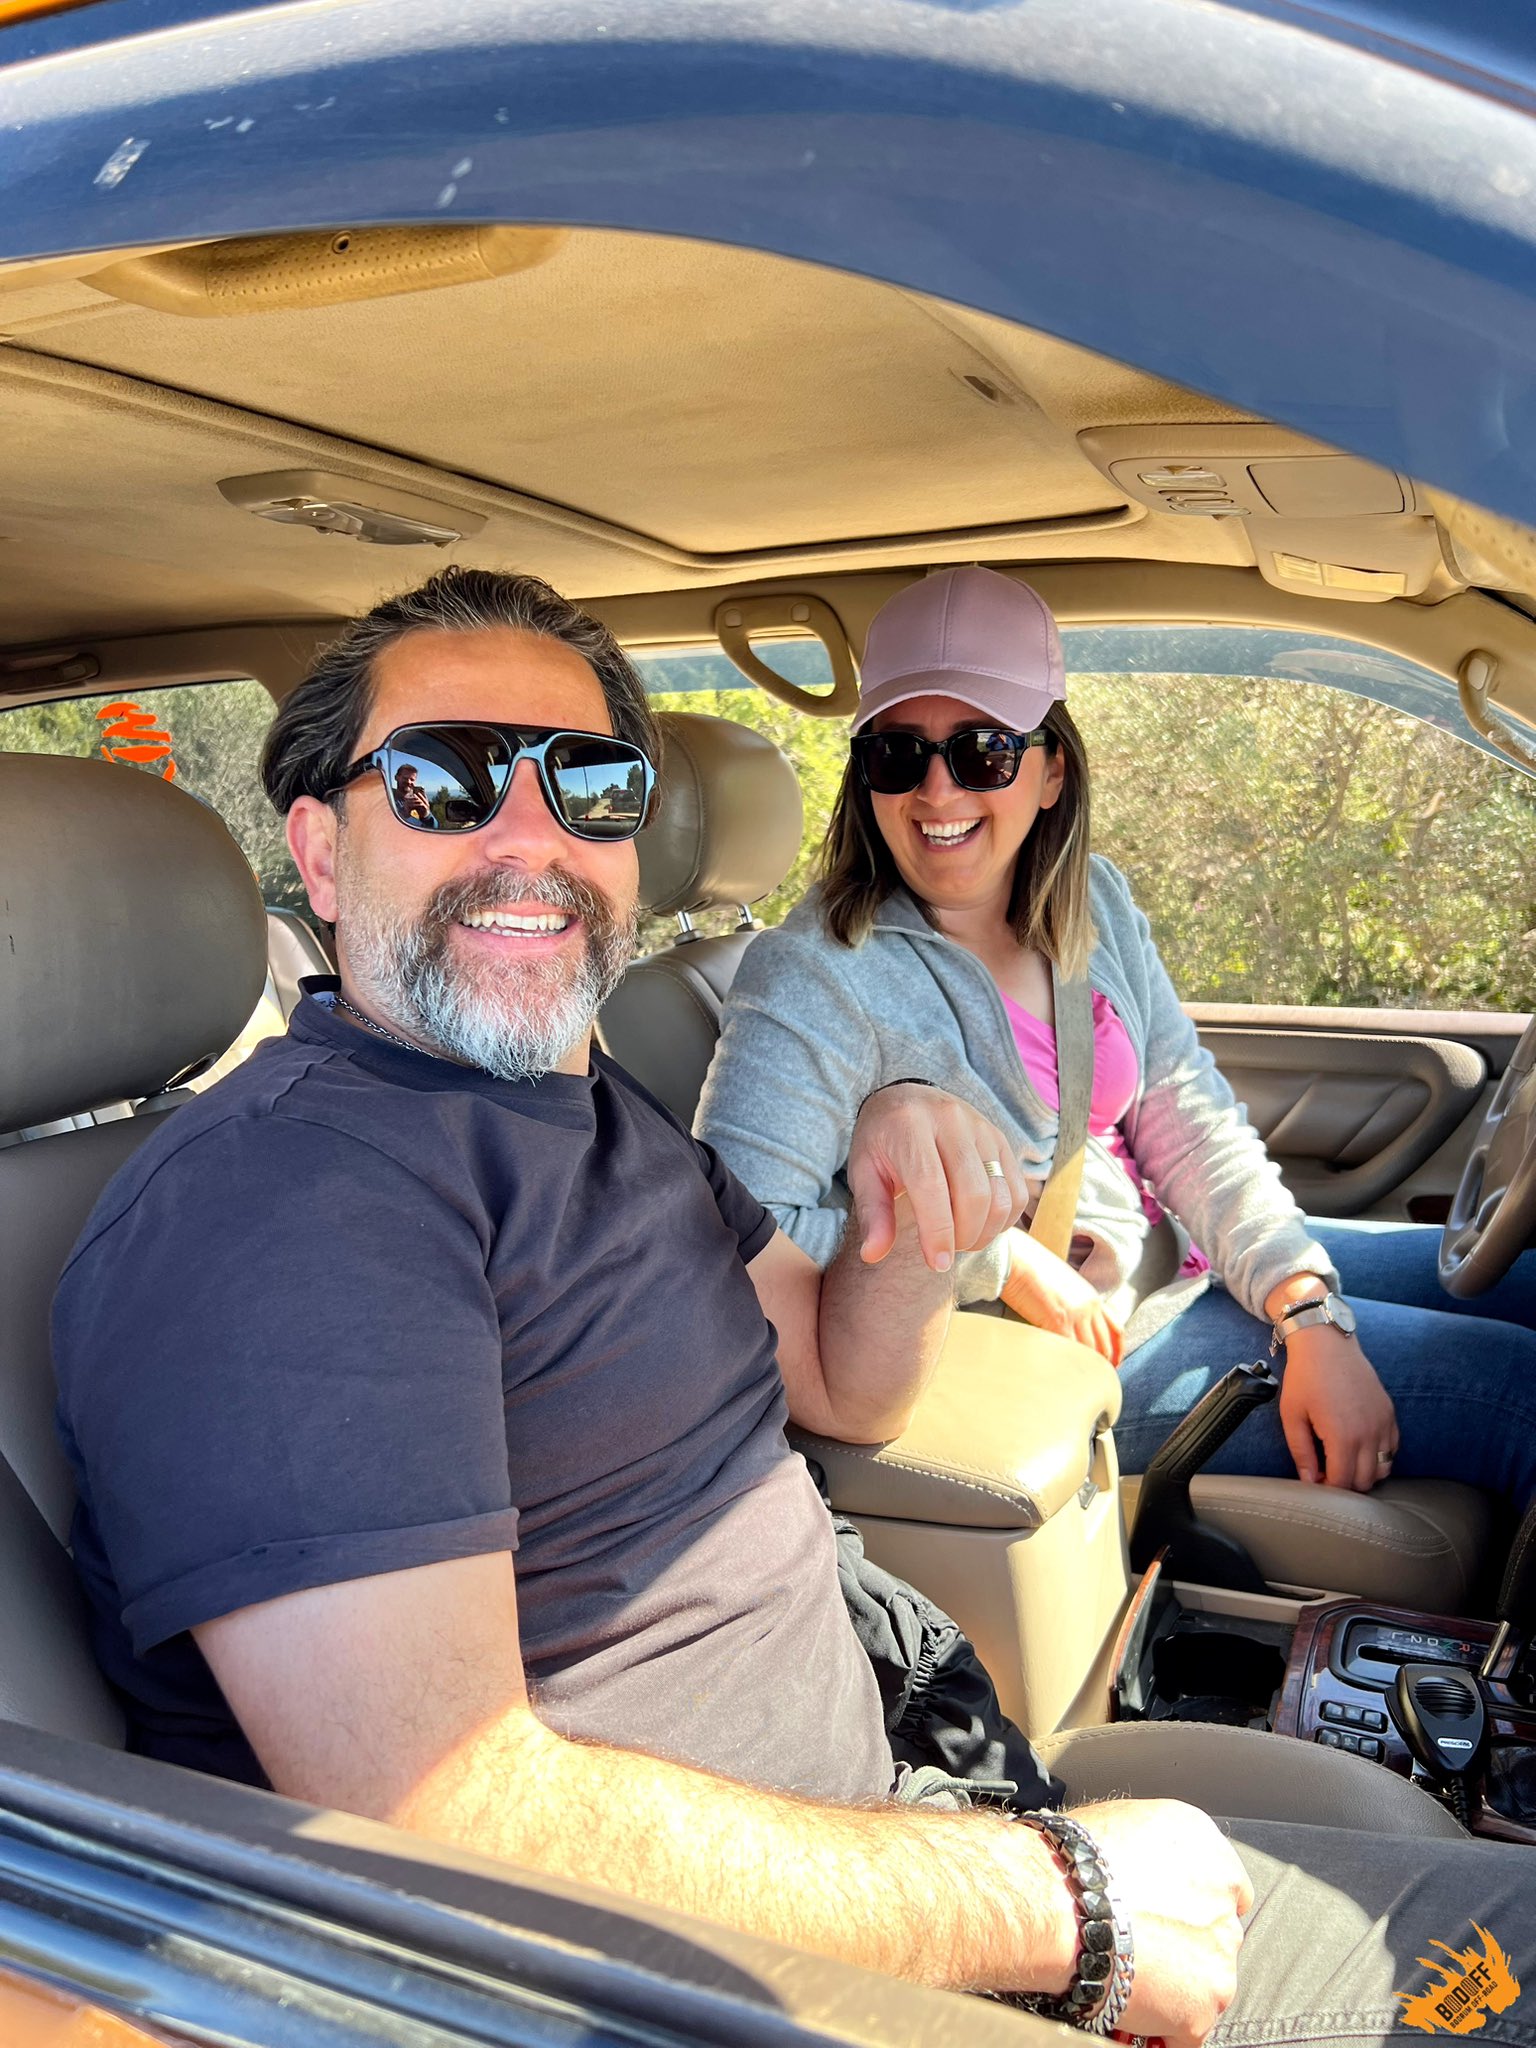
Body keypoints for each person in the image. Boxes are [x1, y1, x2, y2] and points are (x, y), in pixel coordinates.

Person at [51, 568, 1536, 2048]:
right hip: (728, 1984)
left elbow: (844, 1385)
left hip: (904, 1829)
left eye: (591, 785)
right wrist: (1064, 1904)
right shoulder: (288, 1206)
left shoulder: (591, 1114)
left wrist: (909, 1193)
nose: (532, 837)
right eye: (448, 781)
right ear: (320, 853)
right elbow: (440, 1821)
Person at [697, 565, 1536, 1501]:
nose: (936, 790)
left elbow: (1188, 1121)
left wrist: (1303, 1302)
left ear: (1052, 769)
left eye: (983, 751)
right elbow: (740, 1234)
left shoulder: (1092, 902)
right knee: (1518, 1391)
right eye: (898, 753)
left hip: (1169, 1261)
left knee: (1526, 1276)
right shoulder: (816, 973)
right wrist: (998, 1258)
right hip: (1045, 1347)